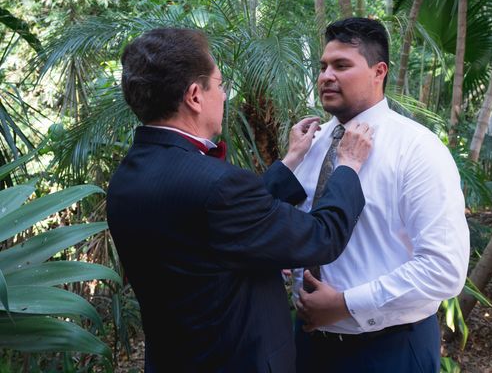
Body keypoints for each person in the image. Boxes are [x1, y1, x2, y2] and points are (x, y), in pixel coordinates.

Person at [106, 27, 374, 373]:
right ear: (194, 96)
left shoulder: (126, 178)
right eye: (219, 85)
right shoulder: (216, 186)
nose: (223, 95)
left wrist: (290, 161)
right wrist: (349, 165)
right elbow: (321, 236)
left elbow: (215, 221)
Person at [292, 17, 470, 373]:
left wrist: (346, 303)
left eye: (342, 65)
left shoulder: (418, 149)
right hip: (306, 346)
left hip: (389, 350)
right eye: (324, 65)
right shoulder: (310, 145)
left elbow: (444, 268)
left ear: (379, 72)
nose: (326, 75)